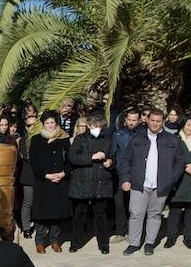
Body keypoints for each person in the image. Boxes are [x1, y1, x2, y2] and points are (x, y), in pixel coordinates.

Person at [117, 109, 183, 255]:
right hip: (139, 183)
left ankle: (149, 243)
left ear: (163, 122)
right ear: (147, 120)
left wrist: (171, 180)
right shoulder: (137, 139)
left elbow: (179, 162)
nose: (155, 123)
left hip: (160, 185)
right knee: (135, 213)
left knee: (155, 214)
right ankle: (134, 243)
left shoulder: (172, 140)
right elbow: (126, 160)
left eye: (158, 121)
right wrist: (125, 179)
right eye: (152, 120)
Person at [67, 110, 115, 254]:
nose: (97, 129)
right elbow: (73, 158)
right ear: (88, 125)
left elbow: (114, 156)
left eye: (100, 126)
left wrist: (110, 162)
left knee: (101, 214)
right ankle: (75, 242)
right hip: (83, 182)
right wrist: (92, 157)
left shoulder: (107, 140)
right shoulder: (80, 139)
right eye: (95, 125)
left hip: (101, 182)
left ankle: (103, 244)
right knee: (79, 214)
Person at [28, 110, 71, 253]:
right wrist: (45, 175)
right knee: (42, 213)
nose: (51, 126)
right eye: (47, 123)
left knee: (57, 213)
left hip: (60, 181)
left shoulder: (63, 139)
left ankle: (55, 240)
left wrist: (63, 173)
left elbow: (70, 160)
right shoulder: (36, 139)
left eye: (53, 122)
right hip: (43, 182)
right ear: (43, 124)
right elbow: (33, 162)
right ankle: (40, 240)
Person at [164, 116, 191, 249]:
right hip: (179, 178)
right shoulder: (175, 139)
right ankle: (171, 237)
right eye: (188, 125)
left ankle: (188, 238)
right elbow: (170, 158)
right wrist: (185, 166)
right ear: (183, 125)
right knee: (175, 209)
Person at [111, 109, 141, 239]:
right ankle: (120, 232)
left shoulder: (143, 135)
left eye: (134, 120)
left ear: (139, 121)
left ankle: (132, 231)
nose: (131, 122)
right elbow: (113, 153)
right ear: (125, 120)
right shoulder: (118, 135)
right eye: (129, 119)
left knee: (134, 206)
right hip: (120, 174)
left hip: (137, 174)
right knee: (119, 205)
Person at [15, 108, 39, 239]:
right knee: (28, 202)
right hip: (29, 175)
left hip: (41, 175)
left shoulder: (43, 138)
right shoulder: (23, 140)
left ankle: (39, 225)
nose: (32, 127)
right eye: (29, 125)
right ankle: (26, 227)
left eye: (34, 125)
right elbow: (27, 156)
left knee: (39, 202)